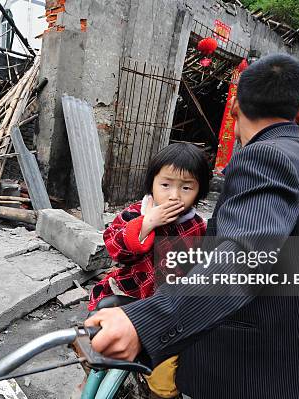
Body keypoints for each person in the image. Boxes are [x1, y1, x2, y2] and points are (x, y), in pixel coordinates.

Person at [86, 53, 299, 399]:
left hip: (265, 375)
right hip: (296, 365)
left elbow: (244, 256)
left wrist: (144, 322)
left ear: (235, 105)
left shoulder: (265, 156)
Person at [89, 143, 210, 398]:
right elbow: (114, 246)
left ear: (199, 192)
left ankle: (157, 391)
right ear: (152, 183)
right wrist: (146, 225)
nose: (174, 195)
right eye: (165, 185)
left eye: (186, 187)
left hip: (164, 308)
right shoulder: (136, 213)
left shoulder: (197, 226)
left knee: (164, 377)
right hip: (131, 296)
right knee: (97, 347)